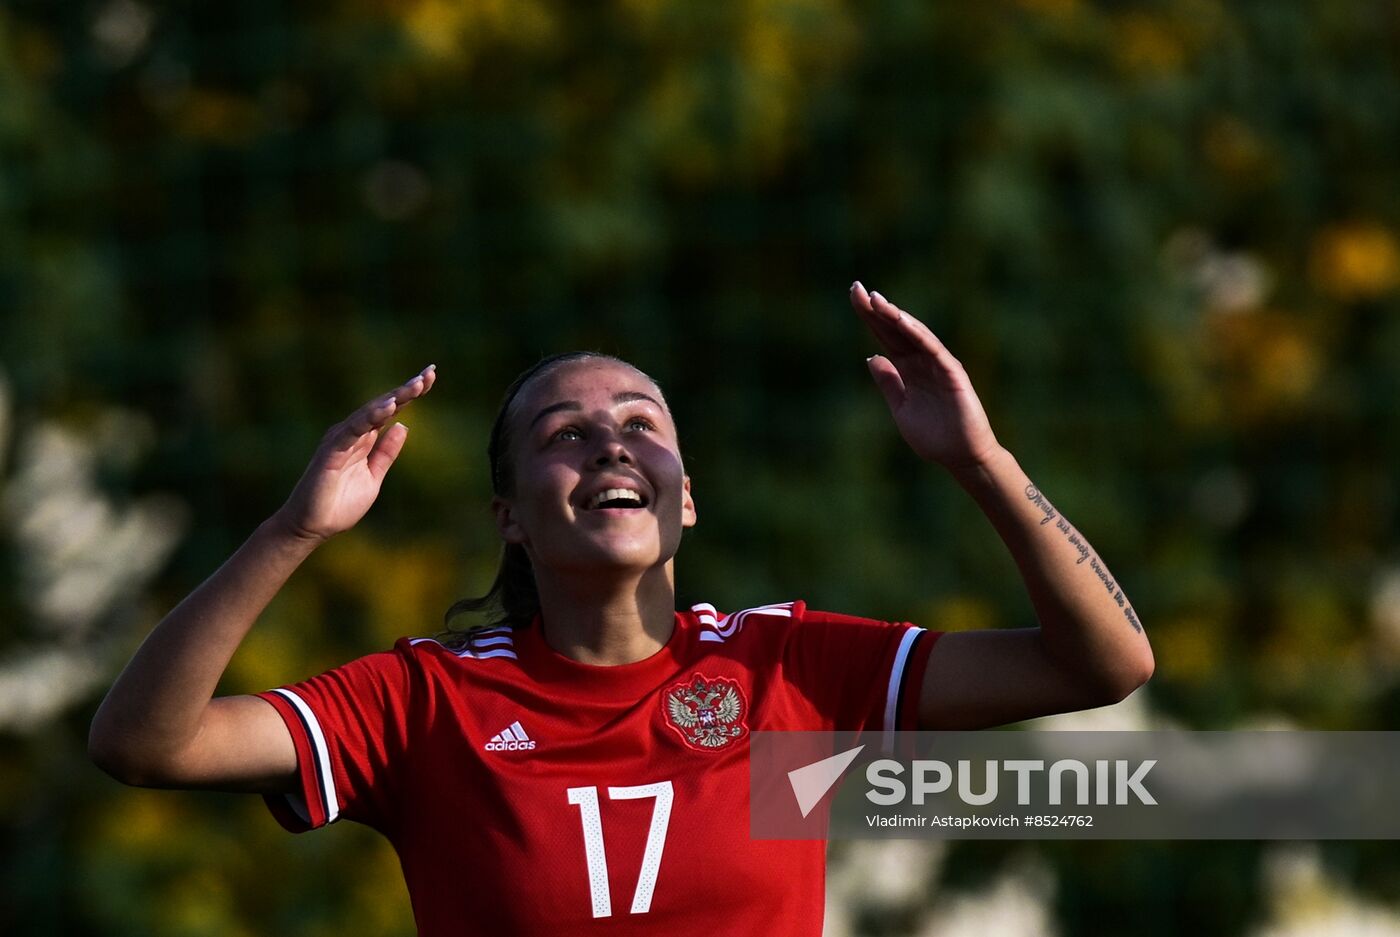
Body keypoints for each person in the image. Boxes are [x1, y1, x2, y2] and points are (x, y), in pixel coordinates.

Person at [90, 283, 1153, 935]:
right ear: (511, 517)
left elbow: (1102, 664)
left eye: (641, 423)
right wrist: (294, 531)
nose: (608, 441)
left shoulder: (788, 669)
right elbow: (145, 743)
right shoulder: (425, 703)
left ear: (685, 495)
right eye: (563, 432)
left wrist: (980, 461)